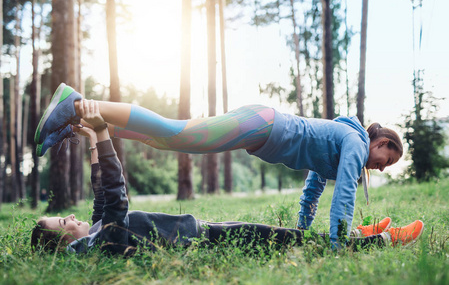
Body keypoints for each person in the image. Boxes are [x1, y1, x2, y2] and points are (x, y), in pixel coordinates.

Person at [34, 83, 413, 247]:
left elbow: (314, 187)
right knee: (174, 131)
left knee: (165, 139)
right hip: (262, 122)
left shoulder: (338, 149)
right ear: (380, 142)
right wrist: (336, 241)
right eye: (385, 161)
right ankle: (77, 104)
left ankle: (80, 122)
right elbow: (344, 193)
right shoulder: (353, 142)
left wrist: (302, 230)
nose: (379, 168)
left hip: (259, 129)